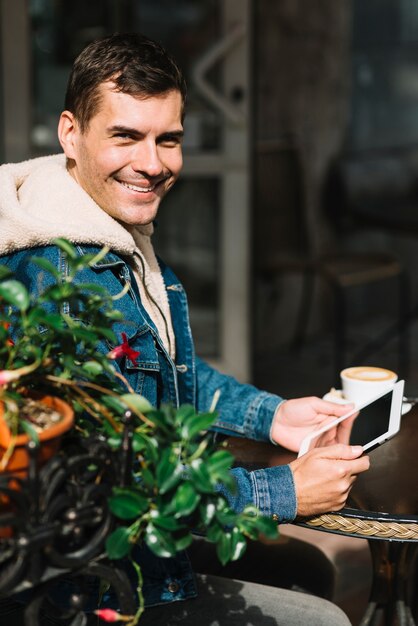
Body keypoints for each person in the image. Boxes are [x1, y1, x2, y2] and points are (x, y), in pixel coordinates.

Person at [0, 33, 369, 625]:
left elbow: (158, 370)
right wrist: (283, 494)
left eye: (167, 139)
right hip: (80, 587)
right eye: (125, 136)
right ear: (71, 132)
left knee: (309, 571)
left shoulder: (100, 225)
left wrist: (269, 415)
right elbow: (101, 488)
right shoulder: (60, 279)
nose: (152, 163)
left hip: (118, 552)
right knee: (323, 619)